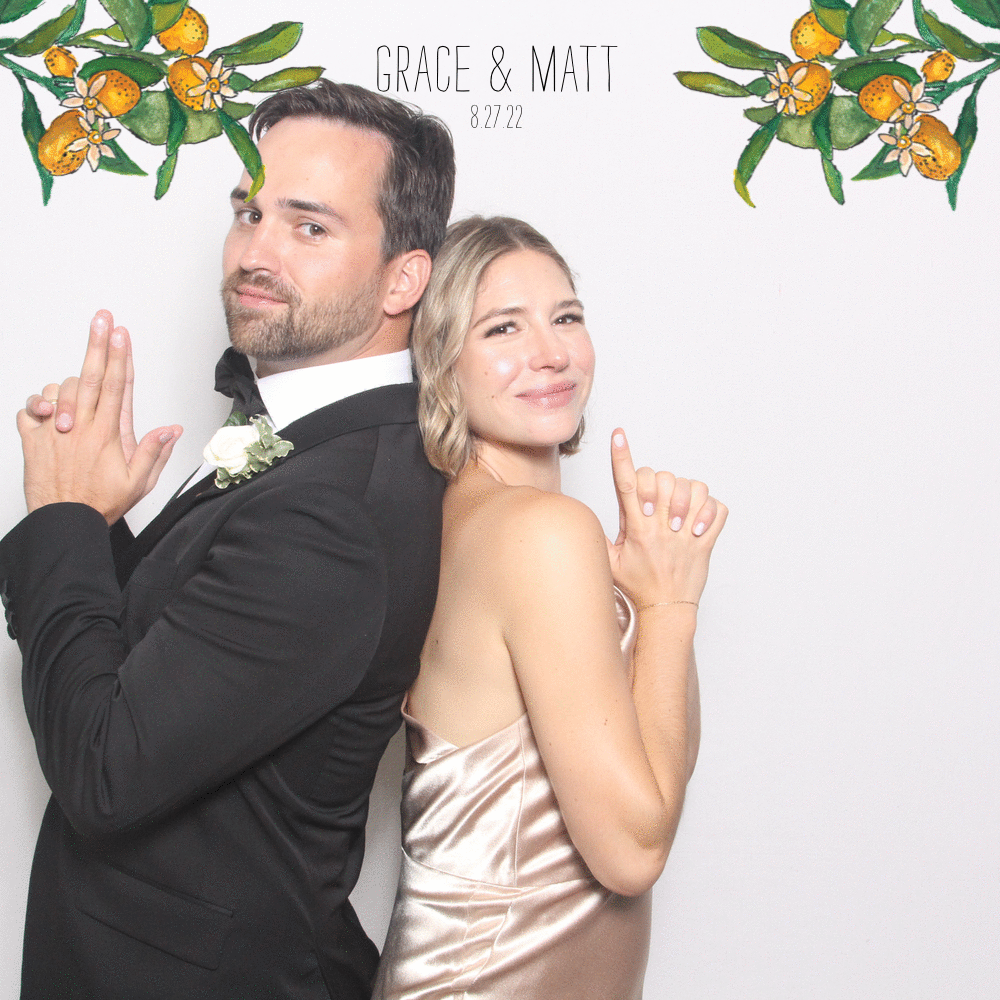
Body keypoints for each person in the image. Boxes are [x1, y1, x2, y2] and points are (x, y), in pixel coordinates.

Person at [0, 81, 455, 1000]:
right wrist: (97, 526)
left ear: (404, 279)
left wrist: (65, 518)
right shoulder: (309, 444)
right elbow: (172, 667)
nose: (256, 251)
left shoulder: (332, 510)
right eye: (249, 213)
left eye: (309, 226)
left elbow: (104, 770)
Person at [372, 216, 727, 999]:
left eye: (566, 317)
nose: (552, 352)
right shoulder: (541, 534)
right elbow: (633, 853)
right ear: (438, 359)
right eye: (503, 328)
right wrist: (669, 609)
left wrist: (653, 599)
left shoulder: (463, 520)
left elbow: (657, 771)